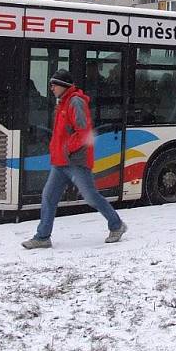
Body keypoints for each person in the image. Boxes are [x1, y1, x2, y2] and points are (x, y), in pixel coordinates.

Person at [22, 69, 127, 249]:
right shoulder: (62, 103)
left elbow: (84, 132)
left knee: (91, 197)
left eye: (54, 84)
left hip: (76, 160)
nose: (51, 88)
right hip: (61, 162)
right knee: (48, 196)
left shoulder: (75, 102)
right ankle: (42, 237)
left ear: (63, 86)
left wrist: (67, 148)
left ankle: (117, 225)